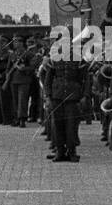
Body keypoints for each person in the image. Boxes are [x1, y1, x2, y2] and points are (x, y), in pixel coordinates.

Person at [38, 30, 90, 162]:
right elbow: (48, 80)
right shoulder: (54, 59)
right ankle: (60, 152)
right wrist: (48, 97)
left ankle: (72, 151)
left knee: (71, 125)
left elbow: (85, 79)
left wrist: (85, 96)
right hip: (57, 96)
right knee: (58, 125)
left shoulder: (79, 59)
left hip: (73, 97)